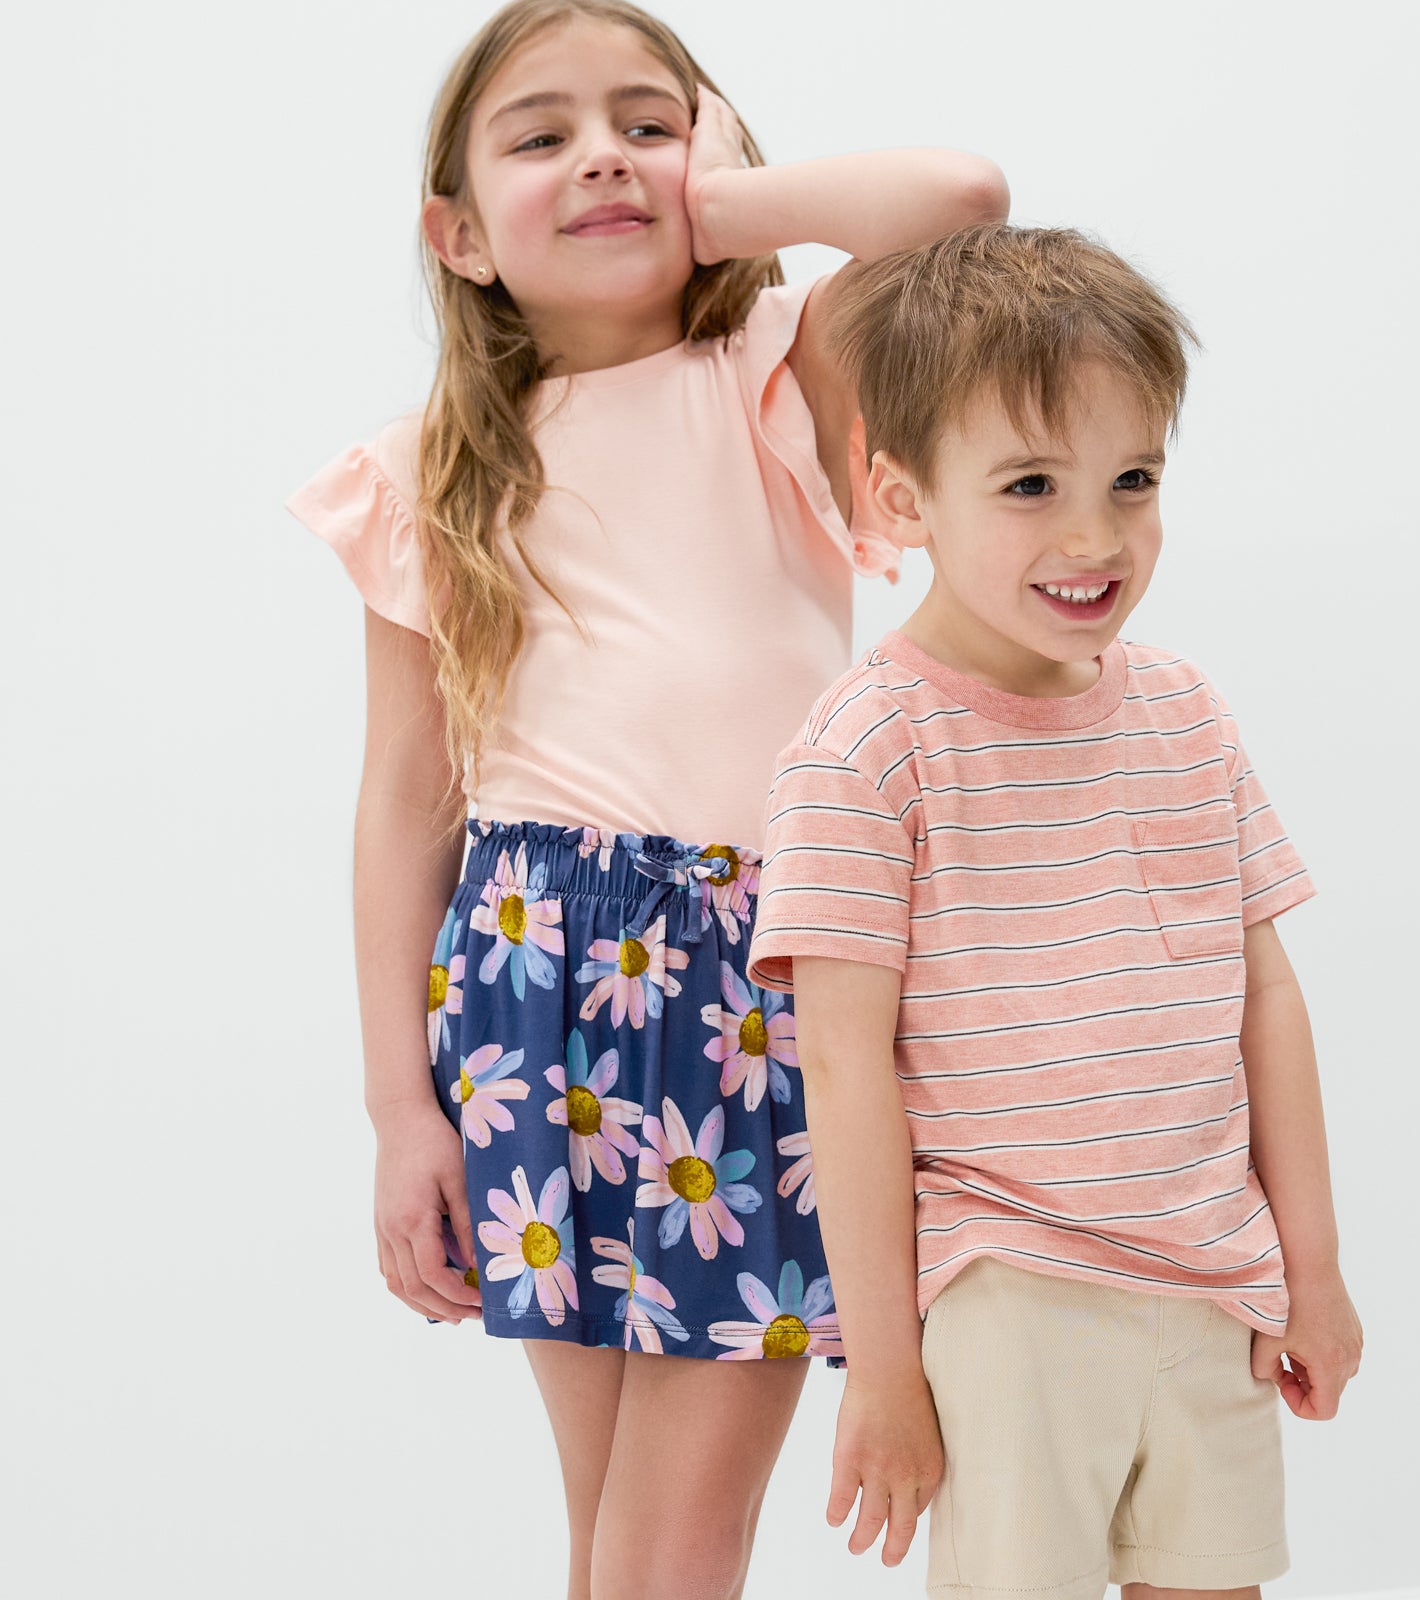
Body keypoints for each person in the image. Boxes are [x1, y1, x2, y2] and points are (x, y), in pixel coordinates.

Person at [286, 4, 1008, 1595]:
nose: (603, 154)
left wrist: (723, 210)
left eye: (648, 121)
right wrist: (399, 1108)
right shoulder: (422, 469)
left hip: (763, 978)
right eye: (542, 136)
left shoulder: (775, 372)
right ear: (456, 233)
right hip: (529, 980)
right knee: (617, 1517)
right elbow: (404, 804)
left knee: (672, 1534)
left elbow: (960, 198)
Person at [748, 223, 1363, 1595]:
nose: (1097, 538)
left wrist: (1308, 1268)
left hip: (1211, 1282)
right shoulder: (866, 749)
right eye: (1030, 485)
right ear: (900, 498)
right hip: (1010, 1288)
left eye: (1132, 479)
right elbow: (841, 1076)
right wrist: (886, 1371)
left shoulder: (1187, 714)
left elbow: (1266, 994)